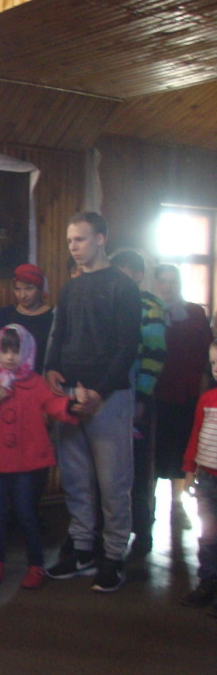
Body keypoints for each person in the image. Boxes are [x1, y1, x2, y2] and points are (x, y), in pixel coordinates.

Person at [44, 211, 140, 592]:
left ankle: (113, 556)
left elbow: (127, 347)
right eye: (70, 240)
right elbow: (59, 332)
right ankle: (82, 550)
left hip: (109, 396)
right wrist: (51, 367)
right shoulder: (71, 288)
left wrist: (99, 391)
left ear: (101, 239)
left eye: (80, 239)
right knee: (75, 478)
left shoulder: (123, 286)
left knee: (113, 482)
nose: (73, 247)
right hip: (70, 392)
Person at [0, 324, 84, 588]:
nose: (10, 357)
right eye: (5, 351)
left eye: (16, 351)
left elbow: (53, 403)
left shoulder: (36, 383)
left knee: (26, 513)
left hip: (26, 462)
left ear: (28, 352)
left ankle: (36, 565)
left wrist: (72, 404)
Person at [110, 248, 167, 558]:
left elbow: (155, 355)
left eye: (123, 274)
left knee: (138, 468)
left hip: (138, 397)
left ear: (138, 275)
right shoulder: (112, 303)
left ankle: (143, 531)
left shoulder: (150, 306)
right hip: (112, 396)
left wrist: (142, 397)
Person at [153, 263, 212, 524]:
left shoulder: (194, 312)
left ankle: (177, 504)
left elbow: (205, 355)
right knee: (156, 450)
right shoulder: (149, 312)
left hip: (188, 392)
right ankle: (150, 504)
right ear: (156, 284)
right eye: (163, 281)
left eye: (172, 281)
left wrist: (202, 389)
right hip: (156, 392)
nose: (168, 286)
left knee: (182, 447)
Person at [178, 339, 217, 616]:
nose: (216, 368)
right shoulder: (206, 399)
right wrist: (189, 470)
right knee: (208, 535)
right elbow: (196, 436)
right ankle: (208, 582)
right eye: (213, 363)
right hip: (207, 479)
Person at [0, 263, 54, 374]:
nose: (22, 295)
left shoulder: (53, 317)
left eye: (29, 289)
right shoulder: (2, 316)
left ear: (39, 289)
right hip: (6, 378)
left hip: (42, 379)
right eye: (18, 289)